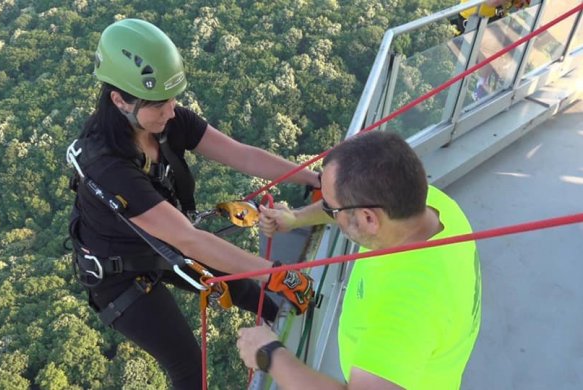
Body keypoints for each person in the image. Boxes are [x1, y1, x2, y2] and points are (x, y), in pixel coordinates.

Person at [67, 19, 316, 390]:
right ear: (120, 100)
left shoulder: (166, 121)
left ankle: (303, 364)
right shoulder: (108, 166)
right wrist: (278, 273)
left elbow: (242, 155)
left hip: (162, 243)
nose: (171, 111)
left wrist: (314, 178)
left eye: (172, 100)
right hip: (118, 276)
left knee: (255, 290)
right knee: (189, 369)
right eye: (159, 104)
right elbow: (189, 240)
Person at [237, 131, 482, 389]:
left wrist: (271, 355)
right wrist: (297, 218)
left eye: (332, 208)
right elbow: (353, 207)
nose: (329, 211)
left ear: (368, 219)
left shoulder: (408, 306)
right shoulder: (427, 204)